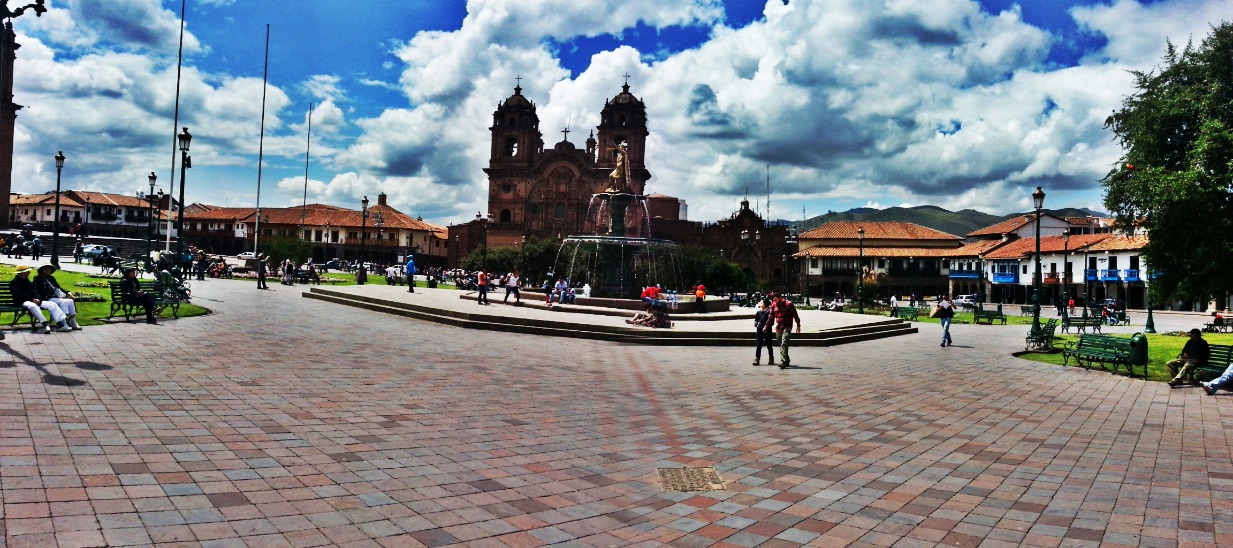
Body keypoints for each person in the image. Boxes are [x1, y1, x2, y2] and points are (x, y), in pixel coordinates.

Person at [10, 264, 66, 333]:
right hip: (22, 301)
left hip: (33, 300)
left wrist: (38, 299)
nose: (29, 273)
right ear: (22, 273)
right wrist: (32, 299)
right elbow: (19, 295)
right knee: (33, 306)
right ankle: (45, 324)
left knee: (52, 304)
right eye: (27, 272)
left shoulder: (27, 281)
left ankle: (60, 323)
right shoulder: (14, 282)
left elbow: (34, 291)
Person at [34, 264, 81, 330]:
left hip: (55, 298)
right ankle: (63, 324)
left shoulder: (51, 278)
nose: (48, 270)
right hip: (46, 299)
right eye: (46, 268)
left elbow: (58, 287)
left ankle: (73, 322)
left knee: (70, 301)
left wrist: (67, 292)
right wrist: (39, 300)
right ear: (42, 269)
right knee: (63, 302)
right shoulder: (37, 278)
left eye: (49, 268)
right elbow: (36, 290)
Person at [767, 294, 801, 368]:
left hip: (787, 326)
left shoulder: (788, 304)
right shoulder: (773, 305)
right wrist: (766, 327)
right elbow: (771, 317)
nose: (775, 301)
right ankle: (786, 359)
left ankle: (783, 362)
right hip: (778, 327)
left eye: (776, 299)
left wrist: (798, 325)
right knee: (781, 344)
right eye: (773, 300)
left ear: (780, 298)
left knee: (784, 343)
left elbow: (795, 315)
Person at [753, 299, 775, 366]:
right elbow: (756, 319)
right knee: (759, 345)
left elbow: (772, 322)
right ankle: (757, 359)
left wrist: (766, 327)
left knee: (769, 345)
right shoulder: (758, 312)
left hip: (767, 331)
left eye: (762, 303)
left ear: (765, 305)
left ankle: (771, 358)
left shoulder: (770, 313)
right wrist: (756, 323)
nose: (760, 304)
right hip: (759, 331)